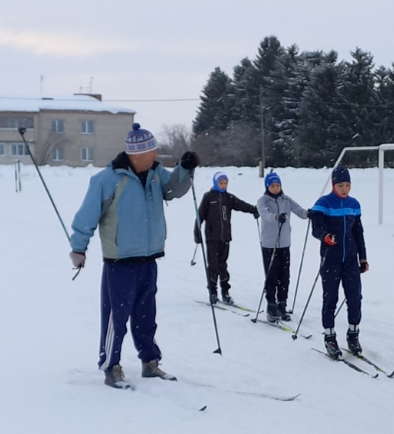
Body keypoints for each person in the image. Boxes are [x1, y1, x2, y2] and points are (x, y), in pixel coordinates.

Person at [69, 123, 199, 389]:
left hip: (148, 258)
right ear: (135, 154)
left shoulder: (155, 173)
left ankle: (150, 363)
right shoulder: (106, 180)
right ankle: (111, 366)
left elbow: (174, 189)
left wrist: (186, 168)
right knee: (117, 318)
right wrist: (78, 248)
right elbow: (86, 216)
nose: (155, 155)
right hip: (120, 261)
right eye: (151, 151)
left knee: (145, 316)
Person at [311, 165, 369, 358]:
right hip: (331, 261)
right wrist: (325, 236)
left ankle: (353, 335)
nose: (344, 189)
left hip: (350, 261)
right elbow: (316, 228)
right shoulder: (324, 203)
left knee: (355, 298)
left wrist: (363, 257)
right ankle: (329, 337)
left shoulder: (354, 204)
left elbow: (358, 233)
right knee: (330, 299)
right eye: (340, 185)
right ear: (333, 185)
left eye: (347, 185)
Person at [194, 171, 259, 305]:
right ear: (215, 183)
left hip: (225, 237)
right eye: (220, 183)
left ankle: (225, 293)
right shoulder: (208, 197)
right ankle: (212, 293)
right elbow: (200, 216)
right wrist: (197, 232)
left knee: (223, 265)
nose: (223, 185)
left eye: (225, 183)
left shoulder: (229, 198)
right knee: (213, 265)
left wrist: (253, 209)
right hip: (212, 237)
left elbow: (241, 205)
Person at [256, 172, 310, 322]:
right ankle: (271, 307)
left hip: (284, 244)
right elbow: (264, 215)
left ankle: (282, 305)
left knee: (284, 277)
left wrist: (309, 214)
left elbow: (299, 210)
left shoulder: (286, 199)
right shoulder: (263, 201)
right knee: (271, 276)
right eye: (272, 185)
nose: (275, 188)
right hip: (269, 244)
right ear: (267, 186)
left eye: (277, 185)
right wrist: (276, 217)